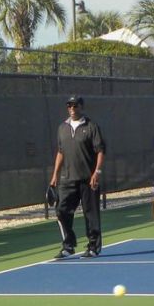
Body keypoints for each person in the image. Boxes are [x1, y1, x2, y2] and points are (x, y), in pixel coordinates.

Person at [49, 95, 106, 257]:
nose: (72, 109)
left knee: (91, 215)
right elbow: (60, 152)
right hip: (67, 179)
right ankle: (68, 245)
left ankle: (93, 247)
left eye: (75, 105)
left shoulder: (91, 126)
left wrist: (97, 172)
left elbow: (100, 151)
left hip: (89, 180)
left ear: (81, 107)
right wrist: (55, 175)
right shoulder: (62, 128)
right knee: (61, 211)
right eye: (69, 106)